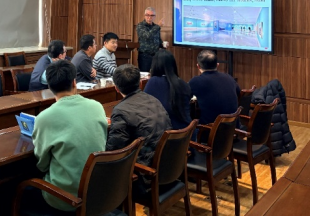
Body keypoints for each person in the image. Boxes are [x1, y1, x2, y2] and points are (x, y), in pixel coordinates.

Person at [28, 60, 108, 212]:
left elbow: (42, 165)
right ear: (74, 82)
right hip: (97, 191)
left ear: (49, 86)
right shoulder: (97, 106)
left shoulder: (44, 117)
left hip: (66, 199)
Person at [106, 64, 171, 194]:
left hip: (145, 176)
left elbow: (114, 151)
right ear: (140, 83)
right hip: (168, 166)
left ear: (116, 88)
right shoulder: (154, 100)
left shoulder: (120, 110)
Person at [189, 50, 240, 125]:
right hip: (233, 127)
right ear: (217, 65)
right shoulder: (229, 78)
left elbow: (184, 98)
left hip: (209, 129)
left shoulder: (195, 81)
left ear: (198, 66)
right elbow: (238, 92)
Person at [144, 50, 192, 130]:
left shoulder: (153, 82)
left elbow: (144, 107)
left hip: (166, 134)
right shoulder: (183, 83)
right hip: (187, 132)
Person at [136, 7, 166, 72]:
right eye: (147, 15)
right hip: (145, 57)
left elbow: (158, 40)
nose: (149, 17)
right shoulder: (140, 26)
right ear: (144, 16)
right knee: (145, 75)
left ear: (155, 17)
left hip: (156, 56)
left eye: (152, 15)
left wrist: (163, 44)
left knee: (156, 74)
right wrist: (158, 26)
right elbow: (147, 36)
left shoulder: (155, 27)